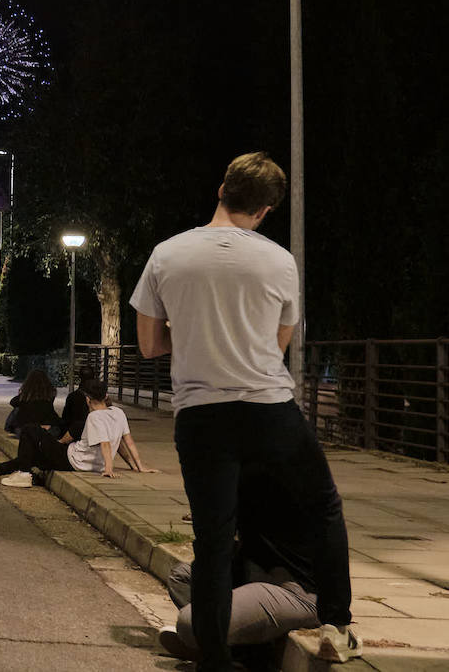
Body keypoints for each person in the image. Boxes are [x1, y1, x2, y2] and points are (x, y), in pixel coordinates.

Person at [130, 152, 357, 667]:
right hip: (268, 408)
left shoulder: (167, 254)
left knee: (212, 537)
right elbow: (277, 346)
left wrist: (192, 333)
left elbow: (146, 344)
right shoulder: (279, 261)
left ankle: (213, 657)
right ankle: (337, 623)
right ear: (267, 209)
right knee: (323, 505)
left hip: (201, 414)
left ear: (221, 189)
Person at [157, 464, 321, 665]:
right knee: (181, 576)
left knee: (188, 623)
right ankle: (233, 647)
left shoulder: (276, 489)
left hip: (294, 592)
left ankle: (227, 649)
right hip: (257, 577)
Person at [0, 379, 154, 486]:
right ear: (106, 396)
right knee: (33, 456)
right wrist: (138, 466)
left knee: (30, 430)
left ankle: (24, 474)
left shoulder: (94, 417)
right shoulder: (118, 413)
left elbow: (105, 443)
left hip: (72, 460)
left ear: (87, 399)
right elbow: (127, 442)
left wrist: (109, 469)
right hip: (87, 463)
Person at [4, 368, 60, 435]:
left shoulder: (26, 396)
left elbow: (13, 402)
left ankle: (10, 427)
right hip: (44, 425)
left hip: (26, 427)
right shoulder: (49, 395)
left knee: (17, 409)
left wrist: (22, 395)